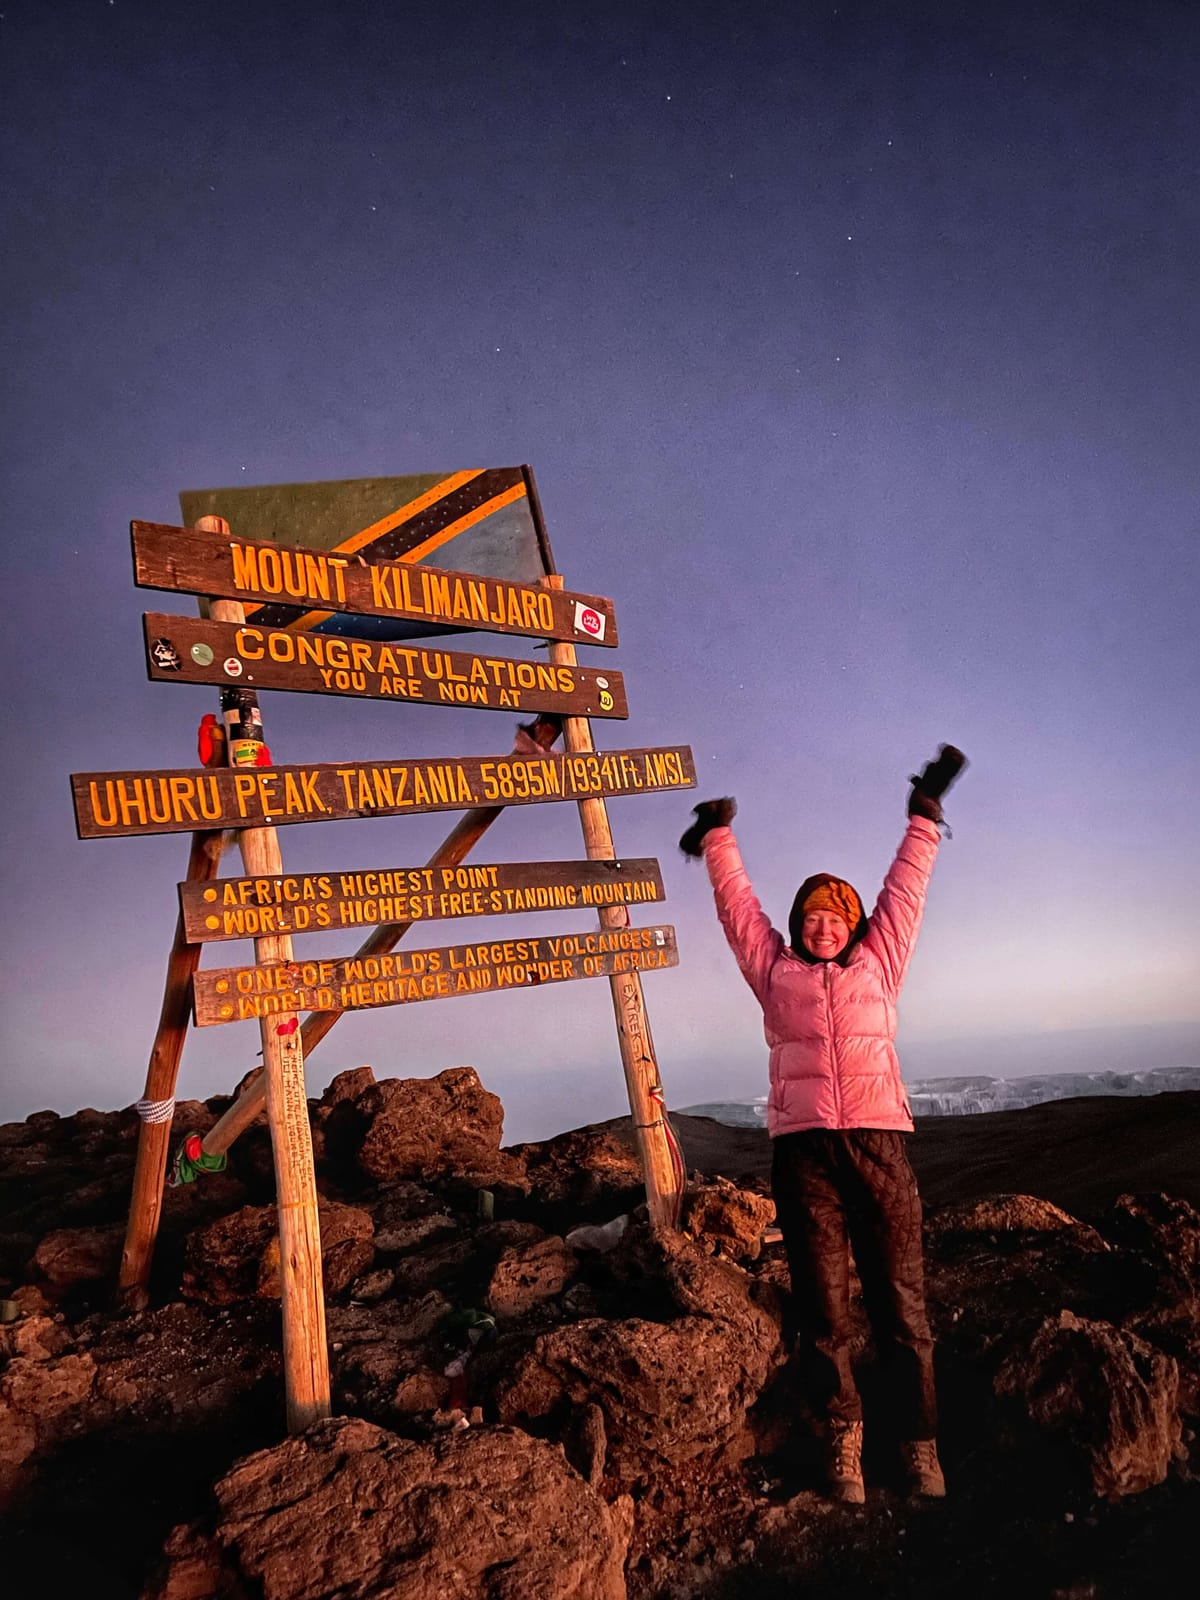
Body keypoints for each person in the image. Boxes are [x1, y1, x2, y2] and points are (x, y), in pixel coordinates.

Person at [679, 746, 967, 1504]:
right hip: (803, 1153)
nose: (823, 926)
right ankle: (844, 1446)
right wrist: (717, 838)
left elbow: (905, 891)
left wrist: (925, 817)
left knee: (904, 1307)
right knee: (825, 1312)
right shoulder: (775, 973)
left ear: (853, 924)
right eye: (810, 916)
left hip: (879, 1145)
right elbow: (739, 910)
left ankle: (918, 1446)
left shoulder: (880, 962)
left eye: (835, 915)